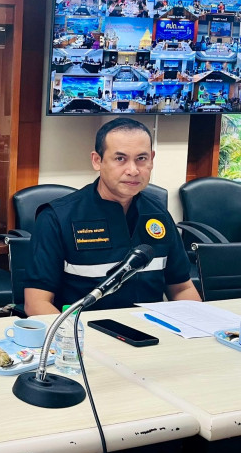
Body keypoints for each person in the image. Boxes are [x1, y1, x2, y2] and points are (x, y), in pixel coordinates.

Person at [24, 118, 200, 315]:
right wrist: (74, 334)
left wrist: (204, 325)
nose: (133, 170)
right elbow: (36, 303)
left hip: (150, 329)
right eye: (120, 159)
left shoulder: (159, 215)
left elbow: (182, 289)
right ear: (97, 161)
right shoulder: (57, 218)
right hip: (83, 329)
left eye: (141, 158)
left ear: (151, 159)